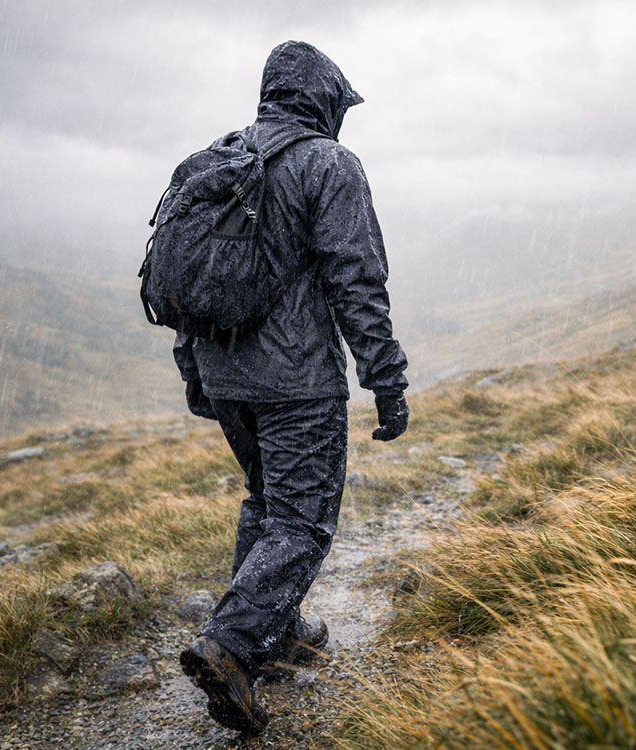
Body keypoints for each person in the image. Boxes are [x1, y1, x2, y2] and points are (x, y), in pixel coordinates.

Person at [174, 40, 409, 736]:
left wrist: (196, 375)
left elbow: (185, 284)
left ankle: (279, 631)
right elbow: (355, 281)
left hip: (224, 377)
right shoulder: (330, 165)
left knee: (268, 502)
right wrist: (386, 381)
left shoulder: (209, 162)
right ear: (325, 99)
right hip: (296, 382)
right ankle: (234, 646)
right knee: (303, 521)